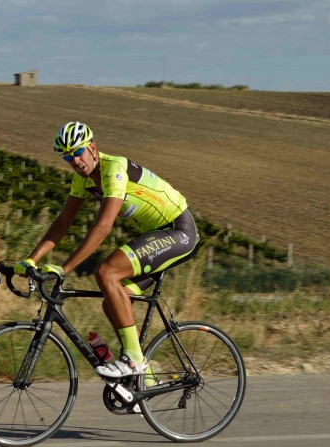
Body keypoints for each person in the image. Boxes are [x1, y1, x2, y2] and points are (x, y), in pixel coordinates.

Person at [14, 121, 199, 380]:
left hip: (179, 231)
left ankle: (133, 360)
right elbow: (63, 222)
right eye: (68, 157)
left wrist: (64, 268)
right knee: (113, 301)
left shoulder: (115, 168)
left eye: (78, 152)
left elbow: (103, 226)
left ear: (92, 148)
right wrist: (31, 259)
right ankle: (145, 377)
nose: (75, 161)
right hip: (159, 235)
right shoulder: (84, 179)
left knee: (106, 272)